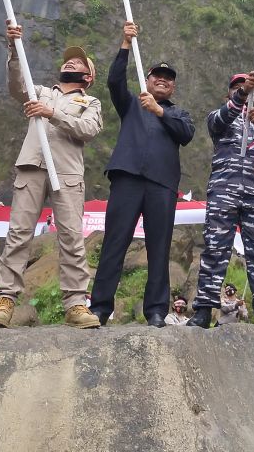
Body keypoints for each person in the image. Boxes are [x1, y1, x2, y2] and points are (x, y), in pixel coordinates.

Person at [0, 23, 104, 330]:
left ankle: (76, 303)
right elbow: (16, 86)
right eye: (68, 60)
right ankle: (5, 299)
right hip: (31, 168)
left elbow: (88, 129)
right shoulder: (40, 92)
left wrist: (53, 114)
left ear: (88, 77)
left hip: (67, 174)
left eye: (78, 63)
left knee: (71, 238)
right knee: (18, 233)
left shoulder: (90, 103)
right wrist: (14, 50)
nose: (70, 62)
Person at [90, 21, 195, 327]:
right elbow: (113, 82)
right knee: (114, 243)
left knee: (159, 248)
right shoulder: (131, 105)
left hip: (162, 186)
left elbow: (186, 134)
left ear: (172, 86)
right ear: (147, 80)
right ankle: (99, 308)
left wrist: (160, 111)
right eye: (157, 76)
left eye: (168, 79)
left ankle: (157, 311)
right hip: (127, 179)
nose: (162, 80)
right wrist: (125, 43)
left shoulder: (178, 114)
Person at [188, 72, 254, 338]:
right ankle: (204, 309)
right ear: (228, 94)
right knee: (215, 251)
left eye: (246, 89)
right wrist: (241, 96)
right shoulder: (219, 118)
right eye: (236, 88)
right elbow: (217, 122)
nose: (241, 92)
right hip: (224, 191)